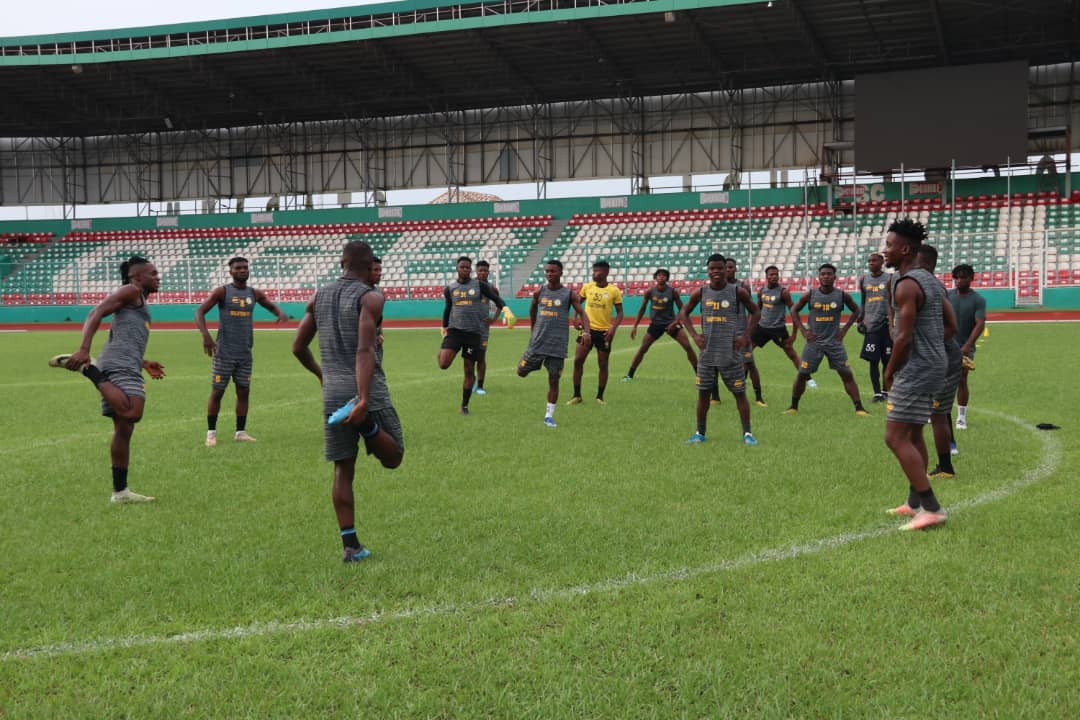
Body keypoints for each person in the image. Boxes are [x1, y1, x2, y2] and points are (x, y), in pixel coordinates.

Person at [292, 240, 404, 563]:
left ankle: (350, 545)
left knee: (343, 469)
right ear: (370, 267)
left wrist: (322, 375)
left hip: (333, 392)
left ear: (342, 263)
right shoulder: (371, 297)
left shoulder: (319, 295)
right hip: (365, 387)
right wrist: (365, 400)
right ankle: (367, 425)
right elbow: (364, 350)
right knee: (394, 454)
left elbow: (298, 346)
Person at [48, 256, 166, 504]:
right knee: (132, 412)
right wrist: (83, 349)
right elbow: (96, 311)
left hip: (128, 363)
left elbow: (125, 337)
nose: (158, 277)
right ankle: (89, 371)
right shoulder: (131, 290)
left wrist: (144, 362)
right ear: (137, 277)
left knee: (124, 428)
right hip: (118, 364)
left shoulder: (140, 301)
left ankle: (120, 492)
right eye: (152, 273)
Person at [881, 220, 950, 531]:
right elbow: (952, 327)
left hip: (917, 368)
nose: (885, 250)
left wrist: (890, 369)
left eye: (890, 245)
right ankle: (914, 503)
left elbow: (903, 338)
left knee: (894, 437)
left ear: (905, 249)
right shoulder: (931, 280)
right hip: (937, 365)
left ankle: (931, 507)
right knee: (913, 434)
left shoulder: (906, 283)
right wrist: (933, 347)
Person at [195, 256, 289, 447]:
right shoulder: (222, 292)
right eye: (238, 268)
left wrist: (279, 313)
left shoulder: (253, 293)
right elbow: (200, 312)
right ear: (230, 271)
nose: (243, 270)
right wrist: (206, 336)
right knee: (217, 392)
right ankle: (211, 434)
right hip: (224, 352)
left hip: (245, 353)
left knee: (244, 392)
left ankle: (240, 432)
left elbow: (269, 305)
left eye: (245, 267)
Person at [677, 254, 760, 445]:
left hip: (730, 353)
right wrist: (695, 335)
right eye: (712, 268)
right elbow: (684, 312)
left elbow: (756, 312)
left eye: (719, 268)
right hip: (707, 354)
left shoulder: (738, 292)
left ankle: (747, 434)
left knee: (739, 393)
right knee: (703, 394)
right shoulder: (701, 292)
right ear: (708, 270)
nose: (716, 272)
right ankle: (700, 433)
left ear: (725, 269)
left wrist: (746, 335)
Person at [785, 263, 869, 415]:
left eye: (829, 274)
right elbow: (793, 310)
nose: (826, 276)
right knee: (802, 374)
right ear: (819, 277)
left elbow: (856, 310)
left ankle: (859, 408)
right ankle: (793, 406)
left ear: (834, 277)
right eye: (823, 274)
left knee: (846, 374)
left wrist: (844, 329)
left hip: (834, 343)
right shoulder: (810, 294)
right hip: (814, 343)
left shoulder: (842, 295)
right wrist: (804, 331)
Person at [517, 260, 589, 428]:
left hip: (557, 345)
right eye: (547, 271)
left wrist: (587, 332)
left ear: (560, 273)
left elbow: (583, 314)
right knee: (520, 371)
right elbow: (532, 310)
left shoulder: (569, 294)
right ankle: (536, 365)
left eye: (553, 271)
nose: (549, 274)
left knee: (554, 379)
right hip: (538, 343)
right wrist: (533, 329)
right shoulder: (539, 292)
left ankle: (549, 415)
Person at [438, 256, 514, 415]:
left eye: (467, 267)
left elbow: (497, 299)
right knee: (443, 363)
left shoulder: (479, 285)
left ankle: (464, 406)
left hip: (473, 333)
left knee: (468, 370)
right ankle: (442, 349)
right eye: (462, 267)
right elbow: (447, 308)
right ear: (457, 268)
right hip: (455, 331)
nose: (465, 270)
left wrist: (506, 312)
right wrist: (444, 326)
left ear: (470, 269)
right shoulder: (450, 288)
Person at [915, 245, 962, 479]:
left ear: (924, 264)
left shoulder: (934, 289)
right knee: (937, 414)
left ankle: (945, 467)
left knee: (937, 413)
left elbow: (951, 328)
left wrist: (927, 345)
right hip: (937, 359)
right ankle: (945, 466)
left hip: (944, 360)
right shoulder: (923, 286)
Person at [622, 268, 696, 381]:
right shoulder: (649, 292)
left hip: (671, 323)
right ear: (655, 278)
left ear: (667, 278)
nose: (661, 277)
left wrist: (676, 322)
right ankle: (629, 375)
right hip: (656, 324)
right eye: (659, 275)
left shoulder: (673, 292)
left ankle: (699, 375)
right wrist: (635, 326)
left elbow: (682, 309)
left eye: (664, 275)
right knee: (643, 349)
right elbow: (642, 309)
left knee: (688, 347)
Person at [568, 260, 623, 405]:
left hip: (604, 333)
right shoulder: (587, 287)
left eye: (597, 271)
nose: (593, 273)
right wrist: (575, 318)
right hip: (587, 330)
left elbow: (620, 313)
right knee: (578, 361)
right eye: (593, 271)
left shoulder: (614, 291)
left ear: (605, 272)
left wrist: (613, 328)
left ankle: (600, 397)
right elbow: (577, 303)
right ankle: (577, 395)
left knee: (603, 365)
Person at [750, 265, 808, 377]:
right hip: (762, 327)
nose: (774, 276)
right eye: (771, 274)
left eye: (776, 274)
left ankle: (807, 378)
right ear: (766, 276)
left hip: (778, 329)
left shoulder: (783, 292)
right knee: (747, 351)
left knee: (791, 353)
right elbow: (757, 311)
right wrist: (751, 328)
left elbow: (793, 312)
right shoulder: (762, 291)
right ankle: (742, 375)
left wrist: (794, 335)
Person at [948, 264, 986, 431]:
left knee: (961, 380)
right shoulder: (947, 296)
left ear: (972, 278)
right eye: (956, 277)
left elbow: (980, 323)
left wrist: (968, 344)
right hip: (945, 344)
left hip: (965, 346)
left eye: (963, 277)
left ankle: (961, 417)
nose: (959, 280)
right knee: (938, 379)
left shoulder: (978, 299)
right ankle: (935, 411)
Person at [726, 258, 766, 406]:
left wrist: (748, 332)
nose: (728, 270)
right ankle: (714, 397)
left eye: (731, 267)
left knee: (749, 364)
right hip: (723, 333)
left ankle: (758, 397)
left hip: (741, 333)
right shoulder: (716, 287)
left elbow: (753, 311)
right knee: (715, 365)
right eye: (726, 267)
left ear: (735, 269)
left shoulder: (742, 286)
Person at [856, 253, 894, 403]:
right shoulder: (864, 280)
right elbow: (864, 302)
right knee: (873, 361)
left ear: (882, 262)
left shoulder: (890, 278)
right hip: (871, 326)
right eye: (869, 260)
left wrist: (892, 319)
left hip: (886, 325)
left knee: (888, 360)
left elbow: (894, 300)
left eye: (874, 260)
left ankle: (886, 390)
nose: (871, 263)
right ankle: (877, 392)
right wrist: (861, 319)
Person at [473, 260, 502, 396]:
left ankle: (480, 386)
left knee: (481, 356)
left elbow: (500, 304)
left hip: (483, 328)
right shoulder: (469, 286)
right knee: (469, 358)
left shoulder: (492, 288)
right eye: (481, 270)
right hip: (469, 326)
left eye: (485, 271)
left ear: (488, 272)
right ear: (476, 271)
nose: (483, 273)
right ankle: (471, 381)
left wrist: (494, 319)